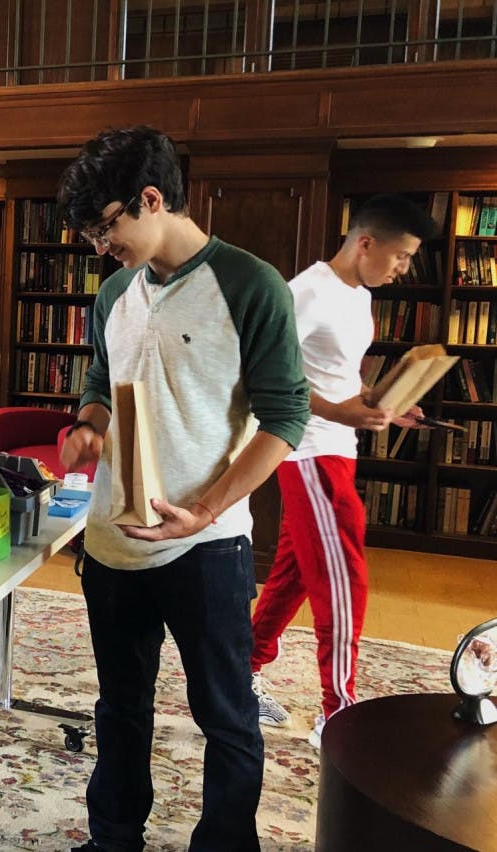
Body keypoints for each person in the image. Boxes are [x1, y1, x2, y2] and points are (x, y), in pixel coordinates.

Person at [58, 126, 310, 852]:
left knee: (226, 716)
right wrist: (90, 424)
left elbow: (286, 417)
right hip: (112, 541)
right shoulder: (114, 294)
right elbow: (103, 382)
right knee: (120, 708)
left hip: (207, 547)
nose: (101, 248)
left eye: (105, 229)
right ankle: (114, 840)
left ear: (151, 199)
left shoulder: (250, 284)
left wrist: (202, 509)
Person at [249, 194, 434, 748]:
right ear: (365, 242)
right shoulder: (305, 292)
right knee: (343, 580)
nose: (402, 269)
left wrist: (384, 403)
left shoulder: (358, 296)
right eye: (400, 256)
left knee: (296, 574)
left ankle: (240, 670)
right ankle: (340, 711)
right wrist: (338, 411)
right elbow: (262, 369)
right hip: (309, 451)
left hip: (337, 447)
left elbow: (337, 377)